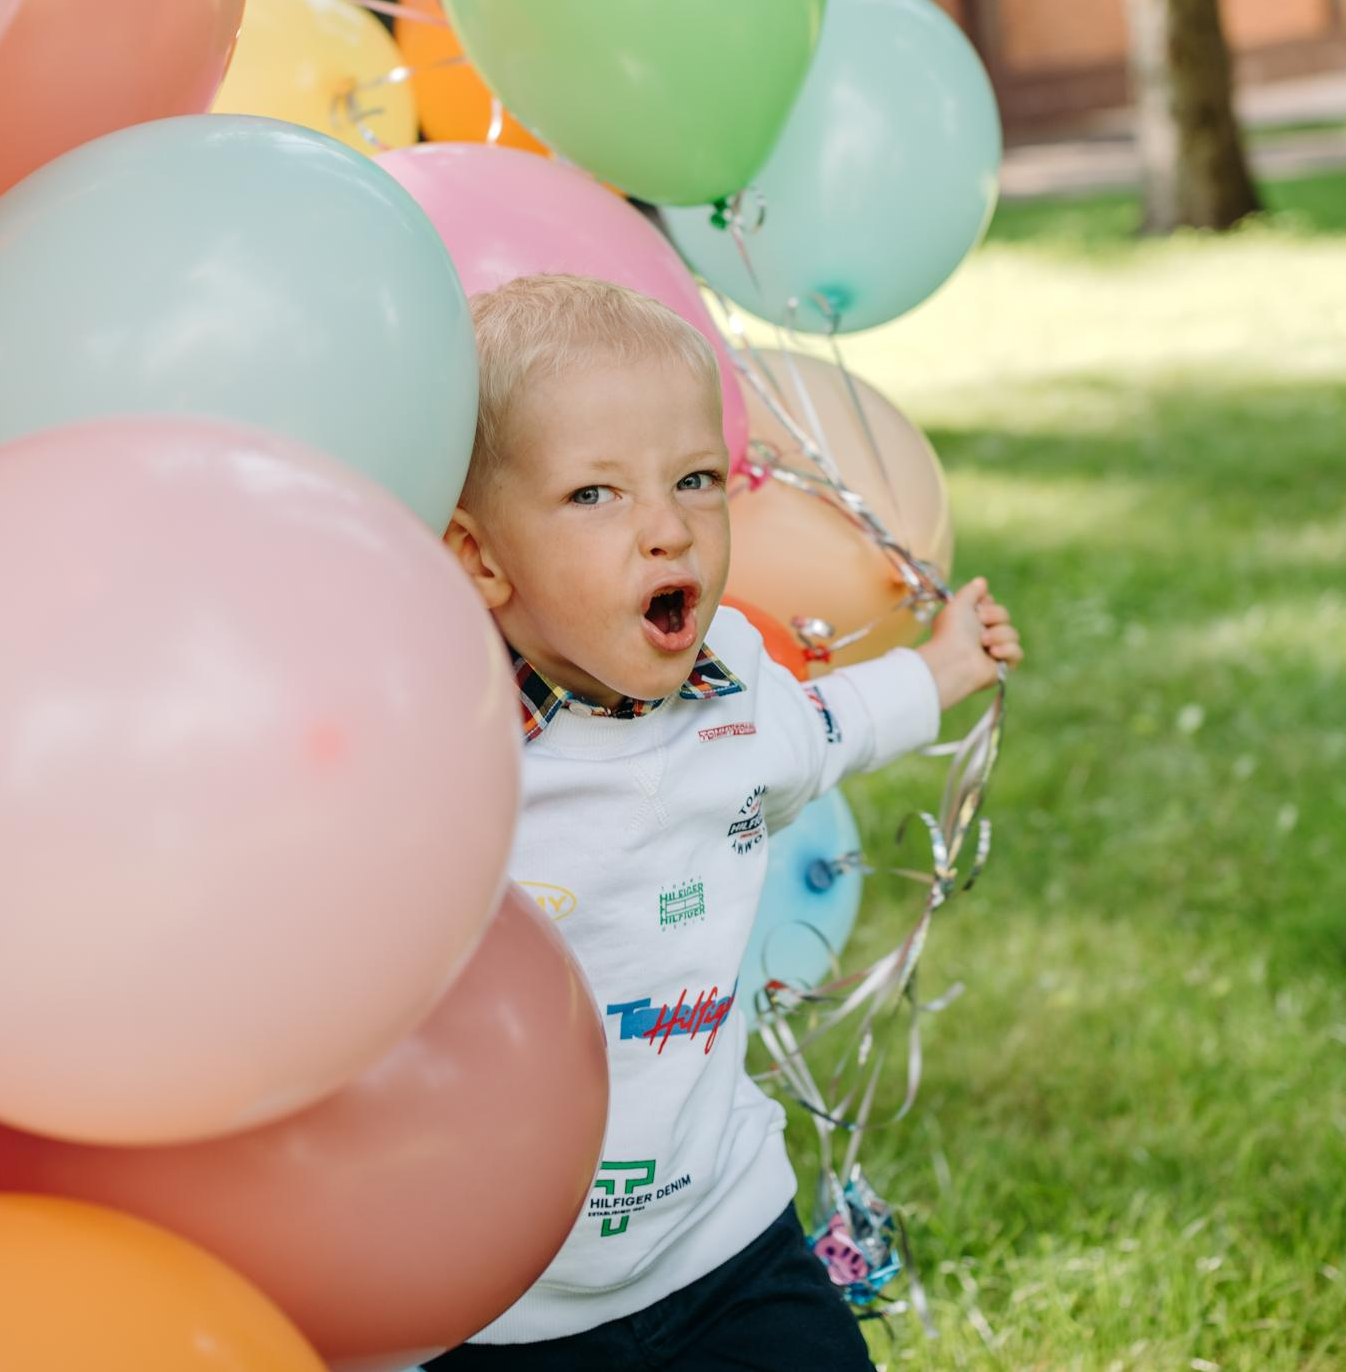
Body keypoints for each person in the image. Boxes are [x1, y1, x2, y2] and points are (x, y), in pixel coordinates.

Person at [431, 275, 1020, 1370]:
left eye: (695, 479)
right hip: (505, 1297)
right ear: (481, 556)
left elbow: (823, 729)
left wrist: (938, 670)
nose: (667, 529)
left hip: (723, 1235)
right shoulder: (453, 747)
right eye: (594, 494)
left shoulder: (735, 680)